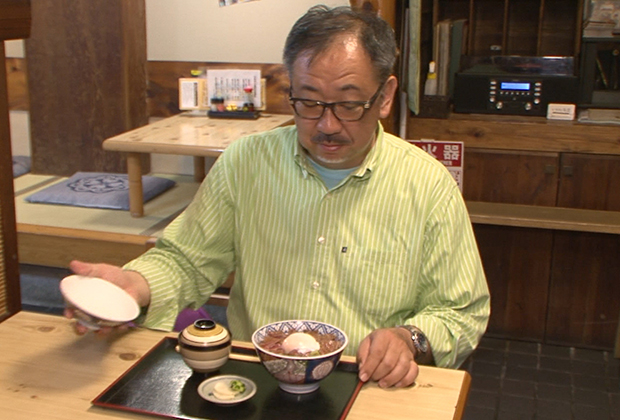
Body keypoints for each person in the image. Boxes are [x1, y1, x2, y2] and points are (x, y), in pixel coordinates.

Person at [67, 5, 490, 389]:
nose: (326, 125)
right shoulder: (247, 163)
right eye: (307, 101)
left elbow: (461, 310)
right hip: (255, 380)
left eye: (348, 104)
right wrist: (134, 285)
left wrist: (408, 339)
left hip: (367, 385)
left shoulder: (427, 184)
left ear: (384, 97)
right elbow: (186, 261)